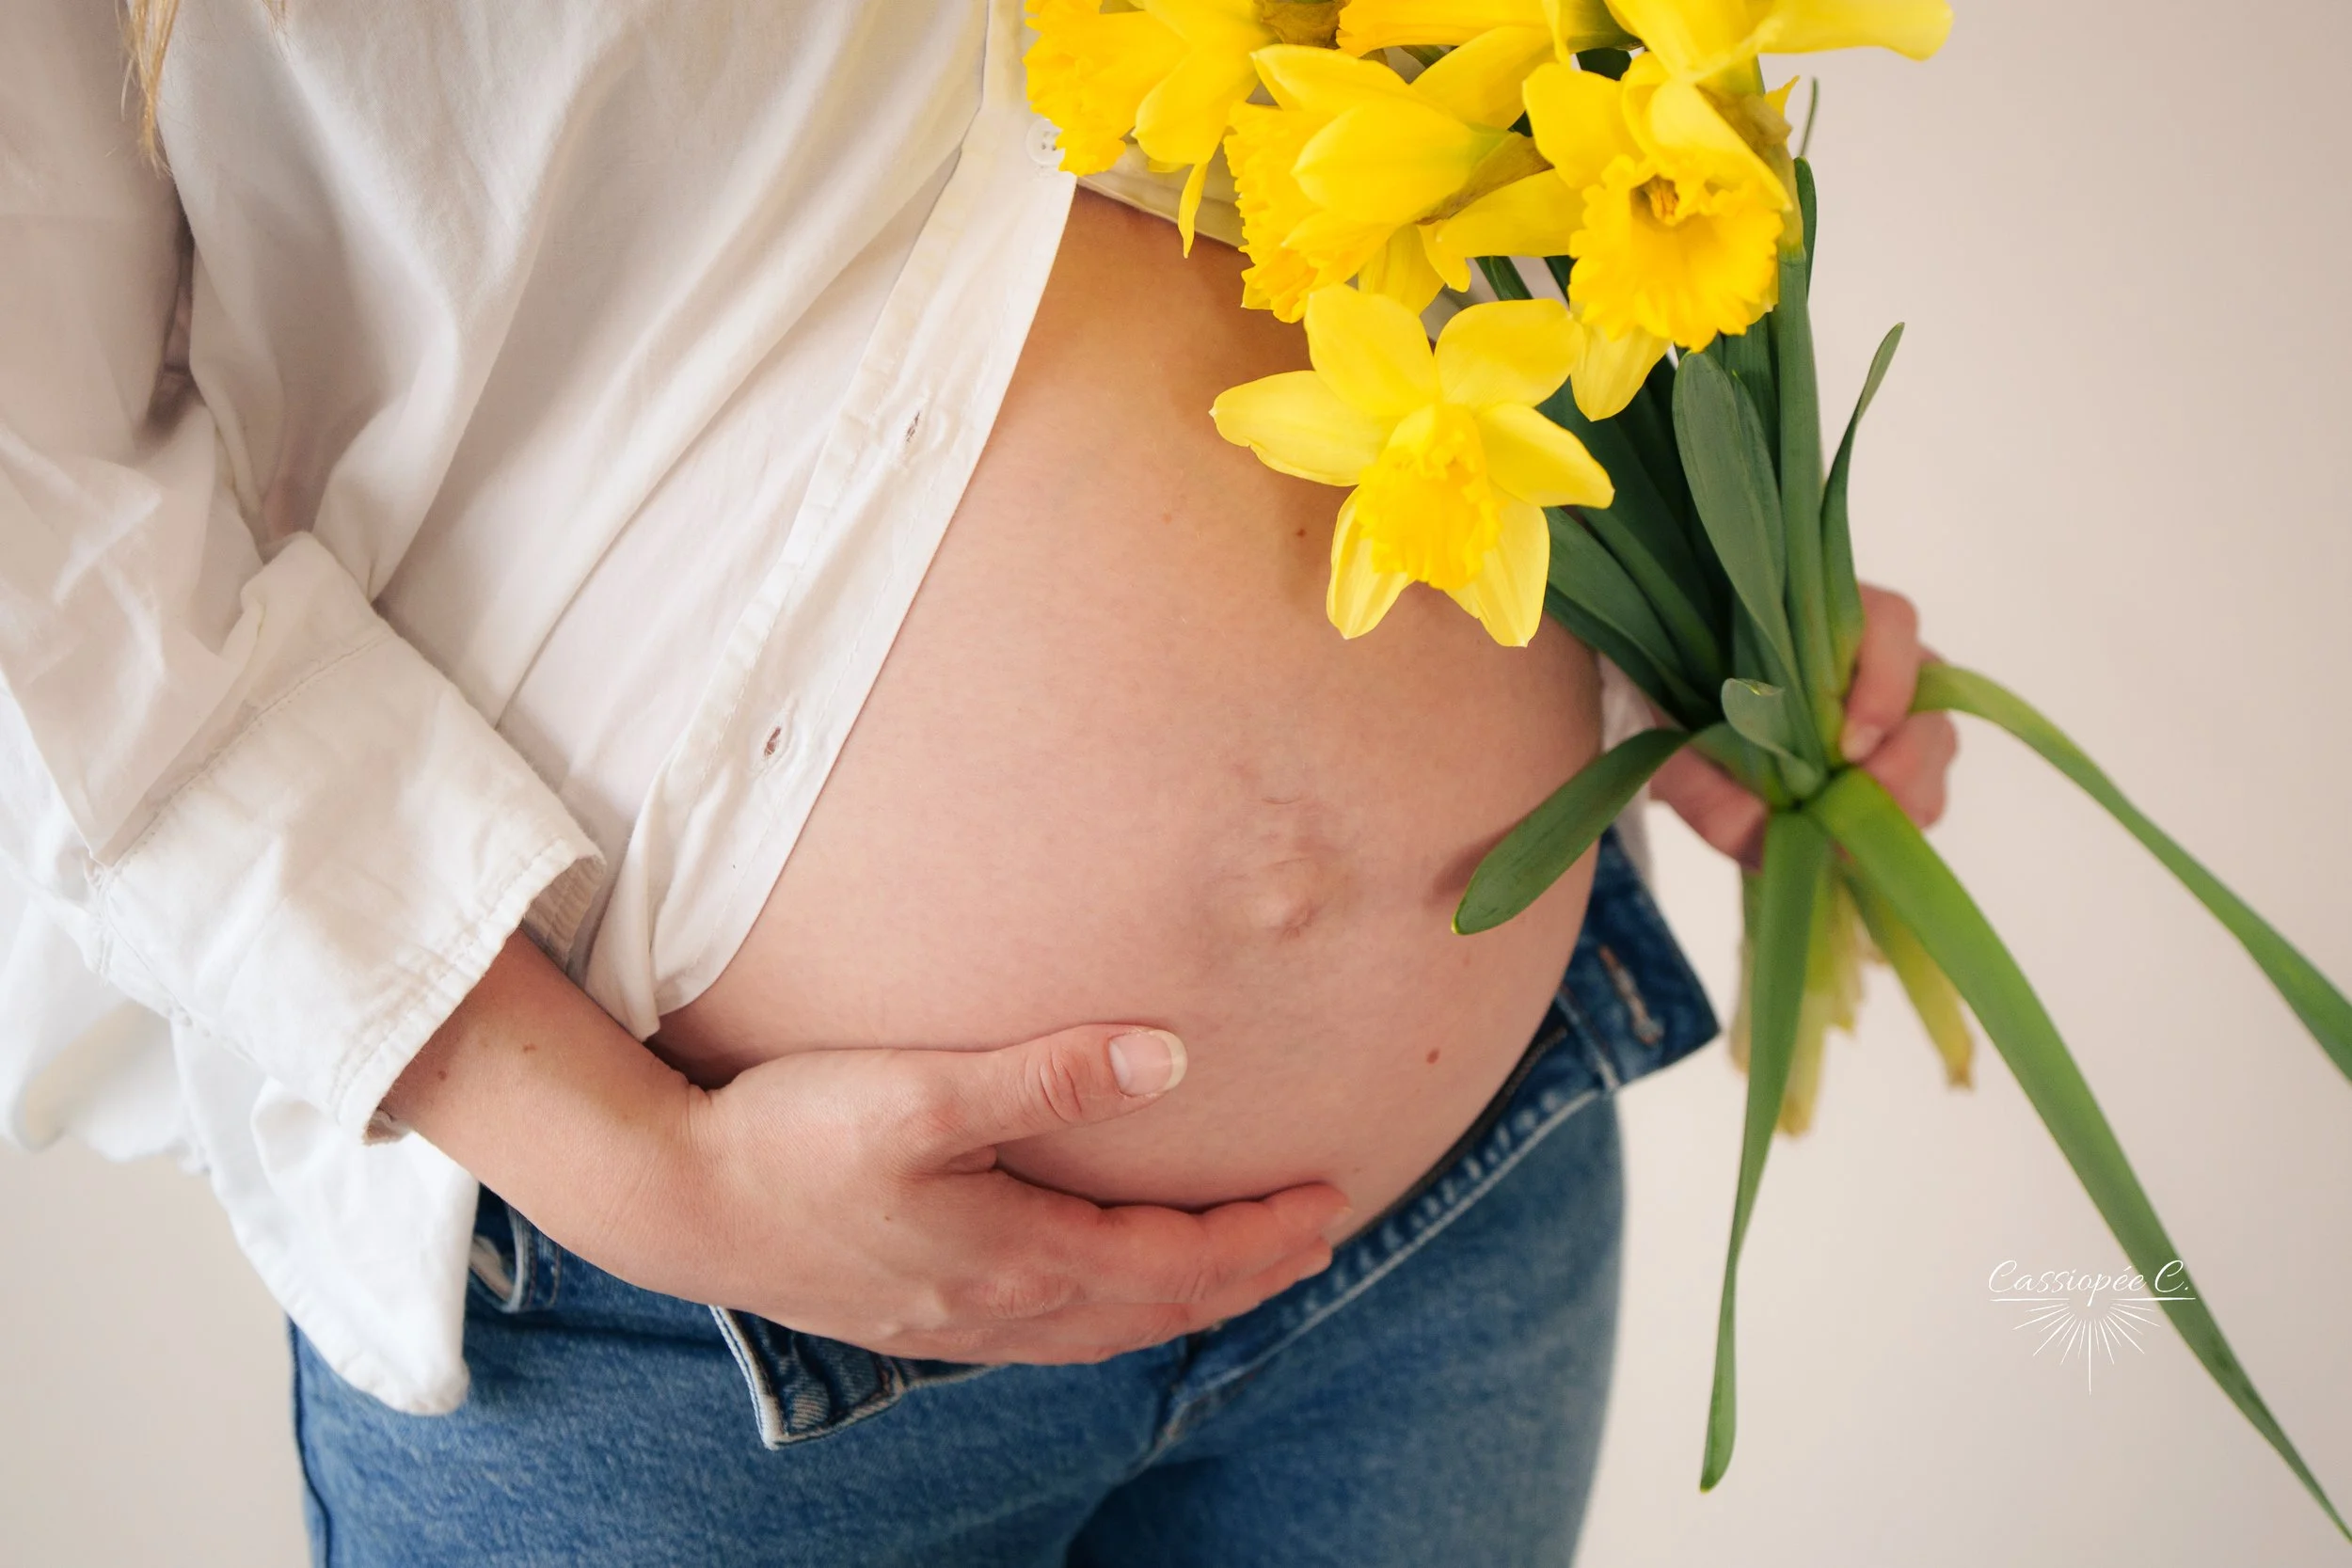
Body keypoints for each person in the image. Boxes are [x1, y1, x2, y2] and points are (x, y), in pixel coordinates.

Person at [0, 1, 1957, 1562]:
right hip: (695, 1363)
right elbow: (47, 545)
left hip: (1463, 1219)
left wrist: (1710, 601)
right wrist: (648, 1172)